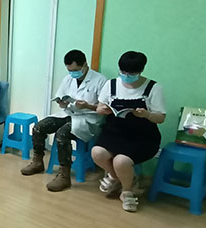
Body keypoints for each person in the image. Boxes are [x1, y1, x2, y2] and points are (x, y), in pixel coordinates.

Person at [21, 50, 107, 192]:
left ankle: (64, 175)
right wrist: (62, 103)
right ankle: (37, 161)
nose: (72, 73)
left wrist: (87, 106)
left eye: (75, 70)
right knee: (39, 127)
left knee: (62, 134)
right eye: (69, 70)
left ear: (85, 65)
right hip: (68, 113)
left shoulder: (100, 80)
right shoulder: (68, 79)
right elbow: (61, 97)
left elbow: (104, 108)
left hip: (88, 118)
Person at [91, 51, 166, 212]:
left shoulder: (153, 88)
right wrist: (103, 109)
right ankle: (117, 177)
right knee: (97, 153)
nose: (126, 76)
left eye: (131, 73)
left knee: (121, 161)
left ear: (141, 70)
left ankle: (126, 191)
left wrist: (147, 115)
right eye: (123, 72)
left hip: (142, 137)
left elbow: (161, 118)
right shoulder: (111, 84)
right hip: (114, 132)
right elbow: (99, 107)